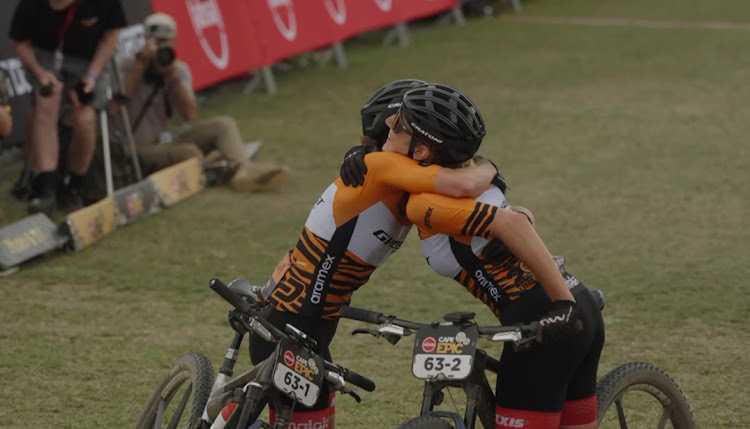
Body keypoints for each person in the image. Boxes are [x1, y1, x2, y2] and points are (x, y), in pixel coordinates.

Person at [242, 79, 500, 429]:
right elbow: (466, 183)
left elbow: (453, 175)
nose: (397, 126)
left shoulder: (403, 179)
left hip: (311, 323)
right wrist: (491, 168)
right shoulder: (380, 167)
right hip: (287, 320)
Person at [391, 85, 605, 429]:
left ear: (421, 150)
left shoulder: (428, 203)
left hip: (545, 323)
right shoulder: (469, 172)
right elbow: (513, 216)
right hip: (572, 308)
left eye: (397, 126)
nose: (390, 126)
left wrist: (562, 305)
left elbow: (513, 223)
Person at [115, 13, 290, 193]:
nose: (161, 47)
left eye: (165, 42)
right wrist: (141, 66)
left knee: (223, 124)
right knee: (189, 153)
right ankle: (226, 164)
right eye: (156, 42)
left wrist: (172, 78)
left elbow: (189, 116)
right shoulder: (126, 65)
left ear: (174, 42)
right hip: (137, 147)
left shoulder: (178, 69)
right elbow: (116, 103)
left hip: (166, 140)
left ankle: (243, 168)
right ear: (145, 40)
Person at [9, 0, 127, 216]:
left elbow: (111, 37)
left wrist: (91, 76)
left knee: (85, 119)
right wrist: (40, 73)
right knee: (47, 101)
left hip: (87, 58)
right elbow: (20, 42)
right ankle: (47, 189)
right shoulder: (30, 5)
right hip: (46, 55)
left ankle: (74, 186)